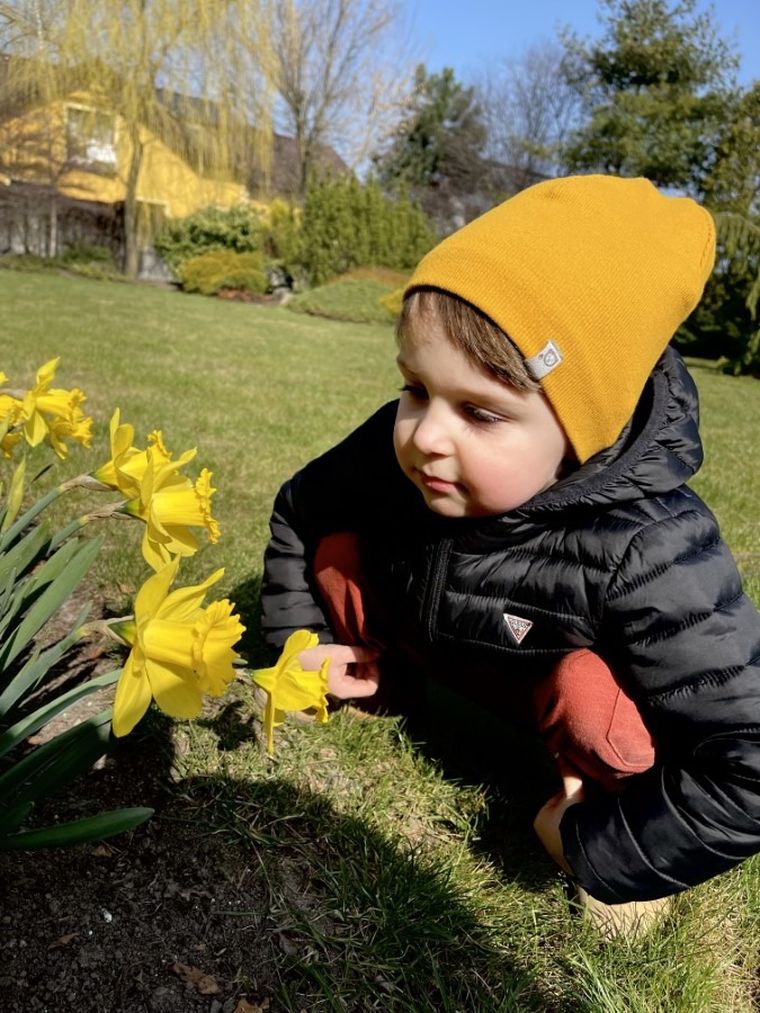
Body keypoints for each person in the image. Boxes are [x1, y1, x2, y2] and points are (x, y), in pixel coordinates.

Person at [260, 174, 760, 931]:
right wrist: (304, 640)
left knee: (595, 697)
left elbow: (748, 766)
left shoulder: (651, 544)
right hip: (433, 640)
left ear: (581, 424)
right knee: (335, 546)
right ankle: (378, 684)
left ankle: (612, 824)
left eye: (480, 411)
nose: (427, 433)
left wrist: (600, 847)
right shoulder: (405, 452)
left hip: (552, 714)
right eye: (415, 388)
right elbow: (300, 508)